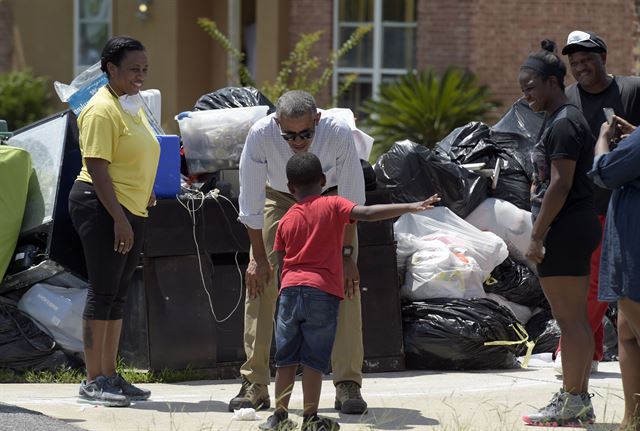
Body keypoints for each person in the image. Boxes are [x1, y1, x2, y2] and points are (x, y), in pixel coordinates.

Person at [259, 152, 440, 431]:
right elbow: (366, 213)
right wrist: (411, 206)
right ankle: (310, 418)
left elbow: (283, 263)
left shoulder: (285, 221)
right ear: (322, 180)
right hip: (322, 293)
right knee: (313, 360)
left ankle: (279, 417)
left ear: (290, 188)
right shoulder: (333, 204)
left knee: (285, 359)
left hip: (290, 294)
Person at [233, 90, 368, 414]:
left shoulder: (337, 132)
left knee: (344, 284)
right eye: (289, 134)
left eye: (305, 133)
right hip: (279, 197)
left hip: (331, 198)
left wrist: (346, 255)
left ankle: (347, 382)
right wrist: (258, 259)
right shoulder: (261, 134)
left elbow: (352, 200)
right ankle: (255, 382)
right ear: (277, 123)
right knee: (260, 281)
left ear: (317, 120)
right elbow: (250, 205)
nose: (297, 141)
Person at [68, 36, 158, 407]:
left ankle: (109, 375)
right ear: (111, 69)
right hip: (102, 206)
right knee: (102, 292)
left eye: (144, 70)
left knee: (118, 296)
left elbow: (135, 154)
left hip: (131, 208)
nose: (140, 76)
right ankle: (93, 381)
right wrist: (119, 219)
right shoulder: (101, 109)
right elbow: (97, 166)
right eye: (133, 69)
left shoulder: (128, 105)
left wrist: (146, 190)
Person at [518, 40, 601, 426]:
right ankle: (577, 400)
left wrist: (537, 235)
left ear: (553, 82)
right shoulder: (561, 117)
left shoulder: (565, 121)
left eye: (531, 86)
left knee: (569, 321)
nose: (526, 94)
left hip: (564, 228)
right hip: (572, 226)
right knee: (575, 319)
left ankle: (572, 401)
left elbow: (559, 184)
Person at [552, 30, 640, 375]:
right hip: (579, 204)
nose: (581, 67)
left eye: (587, 59)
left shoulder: (632, 89)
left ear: (603, 57)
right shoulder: (568, 98)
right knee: (588, 279)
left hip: (621, 203)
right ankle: (591, 352)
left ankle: (572, 352)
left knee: (597, 281)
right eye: (574, 63)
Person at [591, 117, 640, 431]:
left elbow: (604, 172)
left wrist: (603, 138)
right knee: (625, 333)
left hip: (635, 249)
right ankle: (632, 419)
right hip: (629, 244)